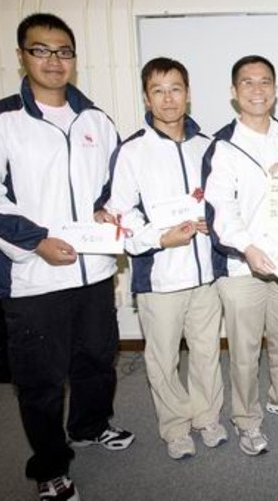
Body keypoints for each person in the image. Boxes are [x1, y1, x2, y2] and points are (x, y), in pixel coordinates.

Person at [0, 13, 133, 501]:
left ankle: (90, 425)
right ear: (22, 56)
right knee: (41, 379)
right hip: (34, 277)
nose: (54, 60)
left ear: (75, 59)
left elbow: (113, 188)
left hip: (94, 269)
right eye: (41, 50)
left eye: (63, 51)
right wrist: (35, 240)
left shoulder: (97, 120)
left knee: (98, 359)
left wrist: (108, 212)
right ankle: (51, 467)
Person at [106, 57, 227, 460]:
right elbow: (121, 216)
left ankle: (207, 418)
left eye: (175, 88)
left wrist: (216, 222)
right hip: (159, 277)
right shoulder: (132, 151)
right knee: (163, 359)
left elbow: (225, 202)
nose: (168, 98)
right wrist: (161, 238)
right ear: (146, 97)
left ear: (188, 94)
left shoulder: (208, 146)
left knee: (207, 352)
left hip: (207, 275)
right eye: (157, 90)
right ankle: (175, 427)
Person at [203, 55, 278, 457]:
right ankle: (247, 420)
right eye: (248, 82)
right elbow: (220, 207)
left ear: (276, 88)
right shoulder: (223, 145)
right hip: (242, 265)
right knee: (245, 351)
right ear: (234, 93)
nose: (258, 90)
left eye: (265, 81)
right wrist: (247, 248)